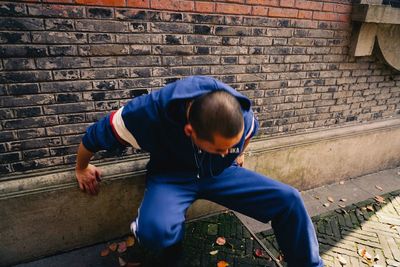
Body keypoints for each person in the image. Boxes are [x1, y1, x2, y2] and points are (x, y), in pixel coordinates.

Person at [75, 76, 323, 267]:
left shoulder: (240, 114)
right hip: (172, 175)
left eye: (231, 146)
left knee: (288, 199)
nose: (229, 151)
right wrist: (81, 168)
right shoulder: (145, 115)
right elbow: (94, 136)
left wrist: (239, 154)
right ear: (190, 132)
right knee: (155, 232)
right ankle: (171, 248)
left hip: (220, 174)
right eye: (221, 148)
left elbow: (248, 134)